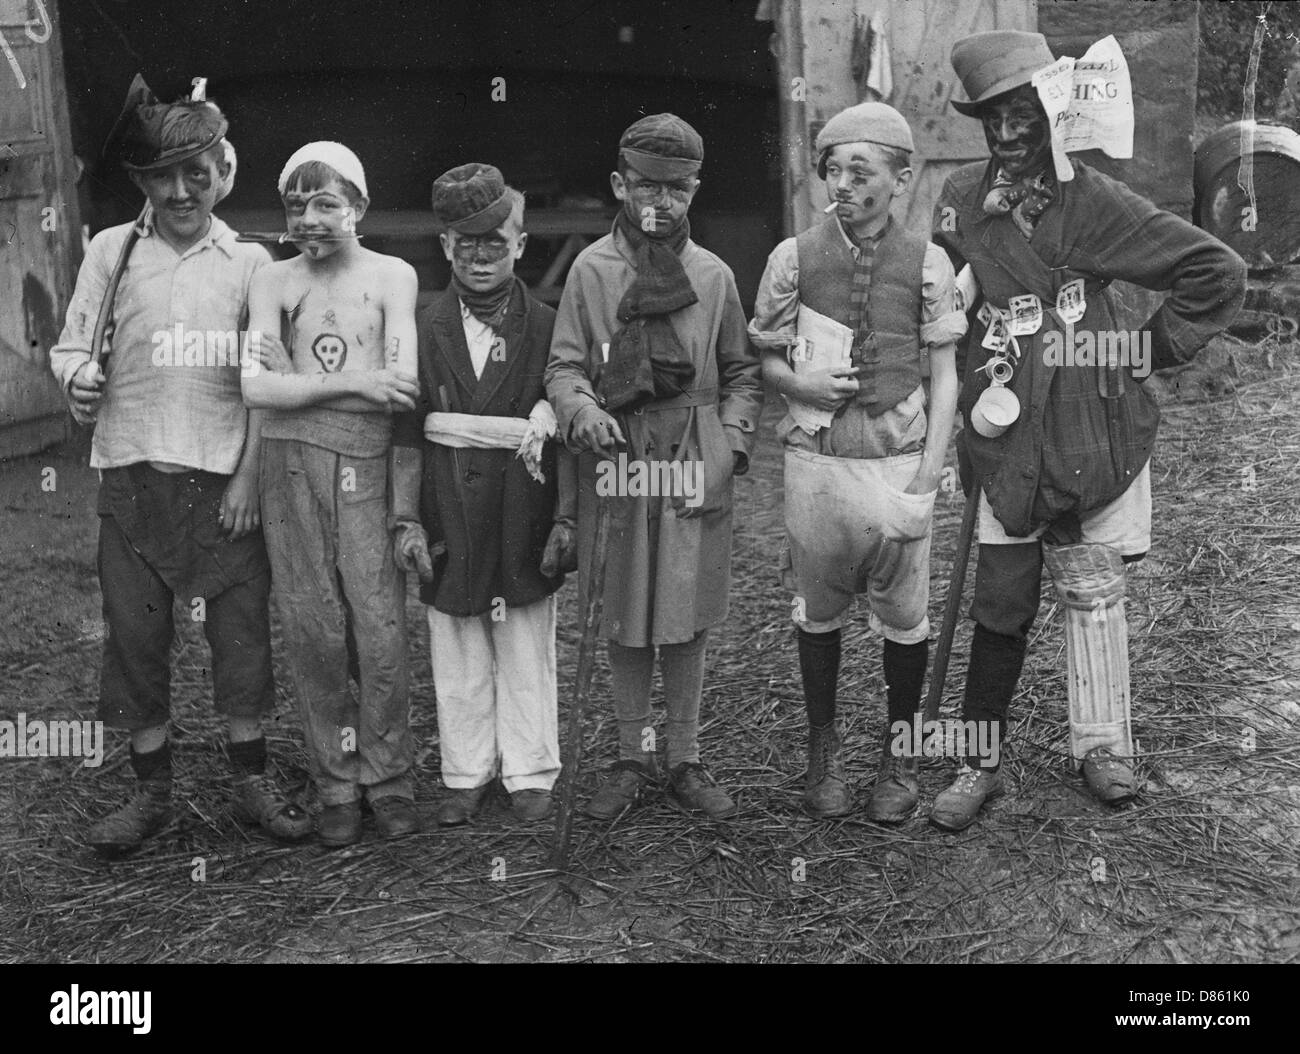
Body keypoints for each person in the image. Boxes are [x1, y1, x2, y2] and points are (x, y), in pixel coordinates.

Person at [930, 30, 1247, 830]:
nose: (1006, 135)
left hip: (1090, 418)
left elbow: (1218, 270)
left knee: (1093, 592)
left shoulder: (1095, 199)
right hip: (1003, 421)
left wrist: (1153, 347)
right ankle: (979, 761)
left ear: (1053, 110)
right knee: (999, 602)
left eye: (1022, 114)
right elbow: (940, 306)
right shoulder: (962, 198)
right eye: (991, 118)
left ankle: (1103, 748)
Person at [49, 75, 310, 854]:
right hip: (131, 477)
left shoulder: (252, 262)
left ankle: (249, 783)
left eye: (196, 172)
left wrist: (245, 480)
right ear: (141, 182)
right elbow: (68, 347)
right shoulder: (111, 251)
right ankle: (151, 795)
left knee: (240, 639)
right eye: (162, 176)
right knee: (135, 638)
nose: (180, 190)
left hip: (223, 487)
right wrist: (77, 380)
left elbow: (269, 387)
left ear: (222, 173)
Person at [750, 101, 965, 822]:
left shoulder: (929, 262)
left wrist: (931, 472)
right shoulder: (794, 256)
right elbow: (766, 357)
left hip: (897, 464)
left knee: (905, 619)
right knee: (818, 613)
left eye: (861, 171)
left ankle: (898, 755)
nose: (842, 183)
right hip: (818, 465)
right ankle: (824, 747)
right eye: (832, 170)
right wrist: (798, 383)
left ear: (901, 179)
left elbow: (945, 375)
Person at [546, 113, 764, 821]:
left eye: (675, 188)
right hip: (619, 453)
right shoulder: (591, 271)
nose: (659, 203)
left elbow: (742, 373)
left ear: (694, 189)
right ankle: (631, 757)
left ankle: (685, 758)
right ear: (619, 184)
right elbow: (565, 365)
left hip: (692, 455)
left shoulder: (714, 275)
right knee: (623, 608)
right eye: (645, 186)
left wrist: (729, 448)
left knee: (684, 608)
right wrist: (581, 411)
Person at [242, 141, 420, 847]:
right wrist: (354, 382)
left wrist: (296, 382)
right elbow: (255, 389)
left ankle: (390, 775)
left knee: (377, 623)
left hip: (364, 466)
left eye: (326, 204)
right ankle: (337, 781)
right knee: (313, 623)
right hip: (288, 470)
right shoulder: (273, 281)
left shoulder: (392, 276)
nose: (310, 220)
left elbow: (399, 383)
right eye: (296, 205)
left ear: (360, 208)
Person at [389, 163, 577, 827]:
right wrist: (406, 517)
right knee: (458, 640)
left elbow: (572, 430)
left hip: (523, 502)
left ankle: (529, 769)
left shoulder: (553, 324)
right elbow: (408, 432)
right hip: (449, 504)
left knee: (525, 638)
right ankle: (465, 771)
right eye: (465, 244)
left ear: (521, 245)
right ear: (445, 247)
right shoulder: (420, 327)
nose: (479, 256)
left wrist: (567, 519)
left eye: (495, 243)